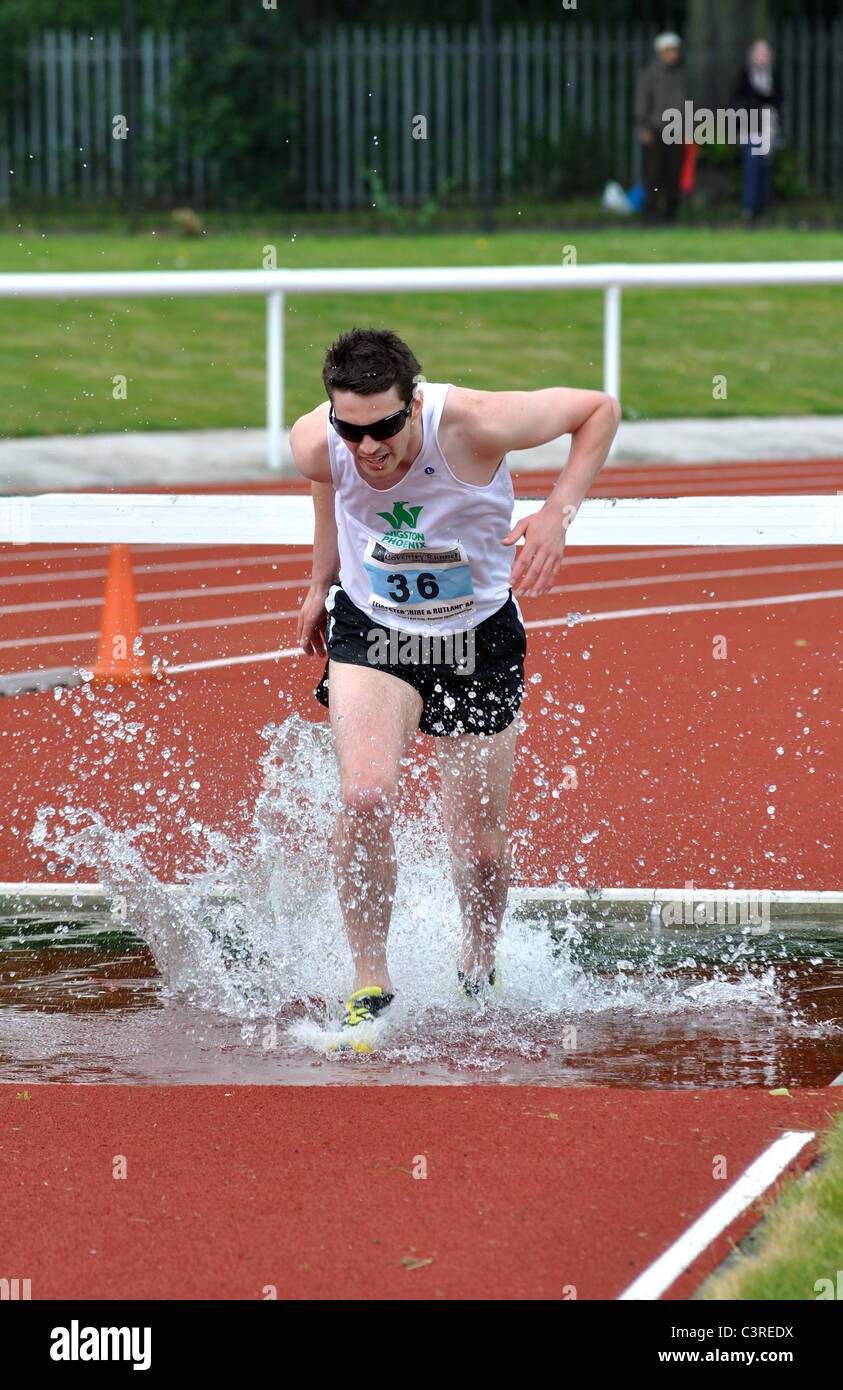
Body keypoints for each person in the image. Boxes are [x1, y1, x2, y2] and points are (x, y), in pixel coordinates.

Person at [291, 328, 619, 1048]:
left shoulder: (473, 422)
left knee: (474, 847)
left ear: (415, 404)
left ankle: (479, 962)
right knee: (366, 793)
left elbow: (598, 409)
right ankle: (369, 982)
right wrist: (321, 578)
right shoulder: (318, 442)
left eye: (384, 428)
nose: (369, 447)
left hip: (477, 638)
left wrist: (556, 515)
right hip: (376, 634)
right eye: (352, 429)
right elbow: (328, 486)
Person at [635, 31, 688, 223]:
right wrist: (644, 126)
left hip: (676, 130)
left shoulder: (680, 75)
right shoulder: (649, 75)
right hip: (656, 129)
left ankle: (672, 210)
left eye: (675, 50)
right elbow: (642, 101)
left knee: (674, 172)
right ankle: (650, 210)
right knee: (653, 172)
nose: (673, 54)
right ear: (660, 52)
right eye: (669, 50)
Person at [734, 39, 783, 223]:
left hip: (769, 128)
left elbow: (777, 99)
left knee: (765, 169)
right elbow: (743, 101)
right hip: (751, 128)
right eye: (758, 53)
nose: (762, 57)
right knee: (751, 169)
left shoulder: (774, 77)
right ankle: (748, 208)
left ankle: (762, 207)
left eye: (765, 53)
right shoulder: (746, 76)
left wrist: (761, 99)